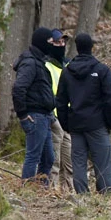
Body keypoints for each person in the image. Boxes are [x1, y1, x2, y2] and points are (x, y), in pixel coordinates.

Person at [56, 33, 111, 194]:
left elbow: (60, 101)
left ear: (77, 48)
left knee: (78, 163)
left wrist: (66, 124)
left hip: (76, 124)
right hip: (97, 124)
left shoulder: (67, 72)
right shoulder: (102, 70)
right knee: (103, 161)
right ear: (92, 47)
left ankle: (82, 197)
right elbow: (110, 100)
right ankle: (105, 196)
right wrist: (109, 122)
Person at [12, 27, 59, 185]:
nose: (53, 45)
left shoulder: (40, 62)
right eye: (50, 42)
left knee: (48, 158)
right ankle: (27, 190)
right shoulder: (30, 63)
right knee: (33, 156)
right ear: (42, 43)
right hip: (35, 117)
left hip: (45, 117)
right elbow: (18, 88)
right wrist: (23, 115)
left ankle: (40, 189)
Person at [44, 29, 74, 191]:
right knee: (54, 159)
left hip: (68, 118)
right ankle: (51, 190)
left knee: (68, 159)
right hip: (53, 117)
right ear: (50, 44)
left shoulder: (68, 65)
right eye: (58, 42)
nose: (61, 45)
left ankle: (68, 191)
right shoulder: (46, 65)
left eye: (63, 42)